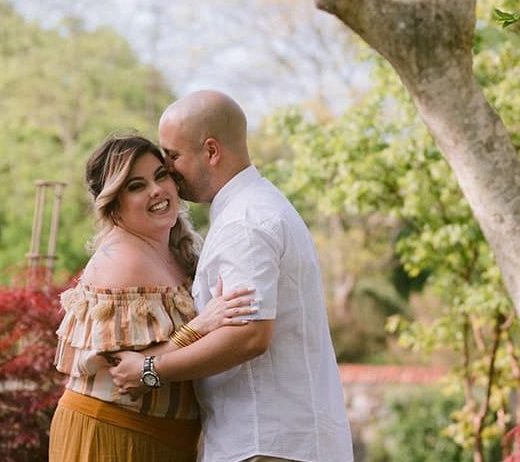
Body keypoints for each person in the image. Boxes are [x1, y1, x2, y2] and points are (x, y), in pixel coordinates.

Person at [108, 90, 355, 462]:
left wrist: (150, 370)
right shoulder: (254, 207)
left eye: (173, 156)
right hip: (274, 438)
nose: (168, 169)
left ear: (211, 151)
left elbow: (249, 335)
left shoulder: (245, 223)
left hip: (266, 442)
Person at [50, 132, 258, 462]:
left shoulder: (177, 249)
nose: (157, 190)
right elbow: (127, 374)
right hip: (113, 432)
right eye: (136, 186)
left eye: (160, 175)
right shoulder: (122, 263)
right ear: (113, 204)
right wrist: (201, 325)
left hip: (166, 438)